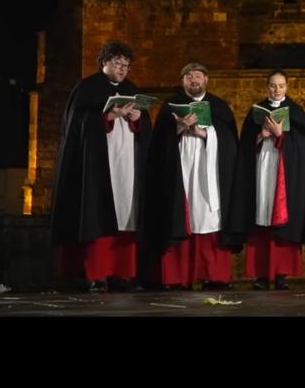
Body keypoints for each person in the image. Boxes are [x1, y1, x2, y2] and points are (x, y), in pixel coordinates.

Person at [50, 41, 153, 292]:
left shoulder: (131, 89)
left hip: (128, 163)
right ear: (104, 63)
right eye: (117, 63)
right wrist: (107, 117)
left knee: (127, 214)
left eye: (126, 65)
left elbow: (145, 128)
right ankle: (97, 274)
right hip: (96, 164)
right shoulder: (87, 87)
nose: (122, 69)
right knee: (98, 210)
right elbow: (76, 125)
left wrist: (138, 118)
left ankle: (124, 273)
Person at [145, 62, 240, 291]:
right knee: (180, 217)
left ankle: (214, 276)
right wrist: (178, 129)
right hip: (182, 173)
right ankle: (179, 277)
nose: (194, 80)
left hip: (210, 173)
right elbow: (158, 145)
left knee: (209, 219)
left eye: (198, 76)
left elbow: (230, 143)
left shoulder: (219, 107)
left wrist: (204, 133)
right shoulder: (170, 107)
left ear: (206, 80)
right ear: (183, 81)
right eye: (189, 77)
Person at [234, 69, 305, 290]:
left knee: (281, 219)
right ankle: (260, 275)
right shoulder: (256, 111)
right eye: (272, 85)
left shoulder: (296, 112)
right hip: (262, 167)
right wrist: (260, 136)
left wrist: (281, 136)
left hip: (285, 173)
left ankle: (281, 274)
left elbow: (303, 146)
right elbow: (245, 144)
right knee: (261, 217)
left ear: (287, 87)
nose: (276, 90)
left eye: (281, 86)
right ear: (266, 86)